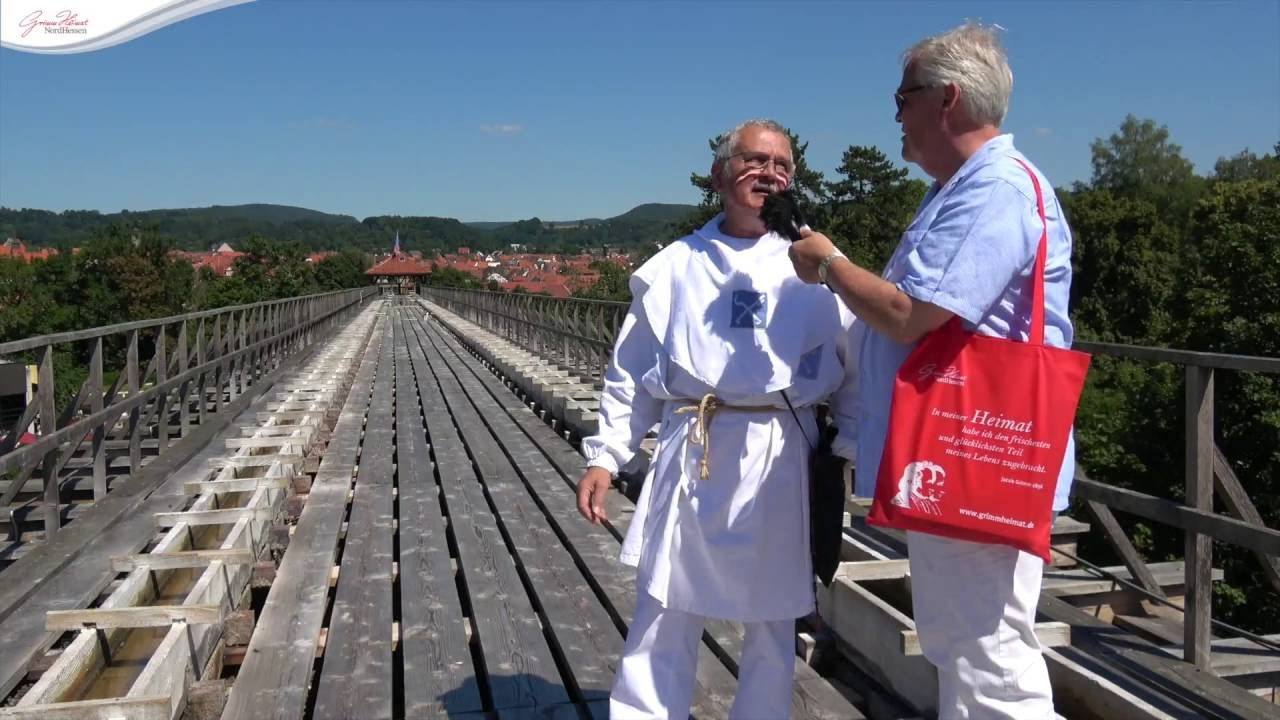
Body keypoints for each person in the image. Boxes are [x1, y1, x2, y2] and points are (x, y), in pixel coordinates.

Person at [787, 23, 1075, 720]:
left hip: (978, 447)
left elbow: (908, 313)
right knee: (964, 643)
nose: (895, 116)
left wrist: (829, 265)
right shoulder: (962, 189)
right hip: (968, 446)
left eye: (902, 98)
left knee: (987, 653)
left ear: (946, 99)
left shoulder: (994, 189)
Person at [576, 118, 858, 719]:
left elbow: (855, 362)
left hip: (780, 452)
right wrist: (606, 454)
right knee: (665, 604)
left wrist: (853, 451)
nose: (770, 173)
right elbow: (632, 370)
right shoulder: (676, 264)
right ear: (719, 175)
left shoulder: (816, 262)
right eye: (755, 160)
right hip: (692, 445)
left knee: (776, 614)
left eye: (782, 165)